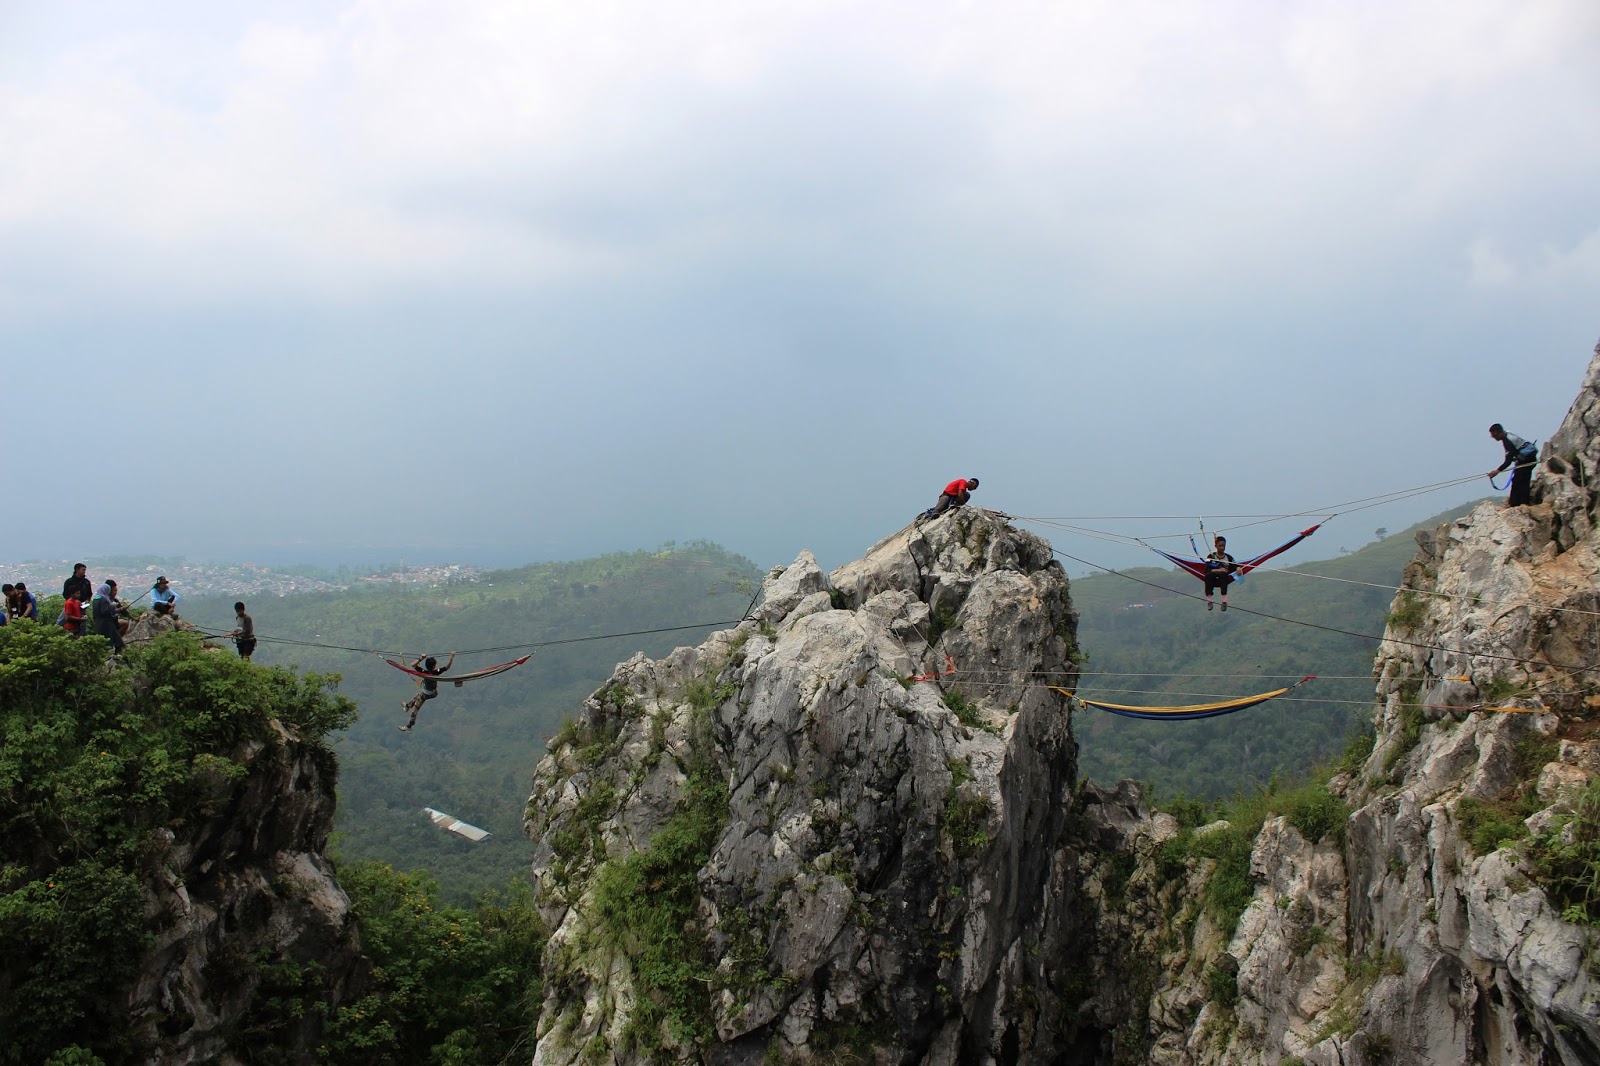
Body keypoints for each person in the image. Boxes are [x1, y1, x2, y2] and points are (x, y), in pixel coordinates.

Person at [399, 652, 456, 732]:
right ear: (433, 666)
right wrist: (452, 657)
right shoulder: (436, 672)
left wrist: (421, 658)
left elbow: (413, 665)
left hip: (427, 694)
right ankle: (407, 706)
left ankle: (409, 727)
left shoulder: (424, 672)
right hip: (432, 693)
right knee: (417, 696)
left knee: (415, 710)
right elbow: (447, 667)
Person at [1487, 424, 1539, 507]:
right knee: (1518, 480)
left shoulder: (1508, 441)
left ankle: (1520, 504)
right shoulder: (1508, 434)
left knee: (1520, 481)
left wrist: (1497, 471)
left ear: (1499, 433)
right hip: (1528, 458)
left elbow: (1508, 461)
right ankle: (1519, 503)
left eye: (1494, 435)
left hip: (1527, 460)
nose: (1493, 437)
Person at [1204, 536, 1238, 611]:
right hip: (1212, 576)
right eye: (1220, 546)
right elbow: (1207, 569)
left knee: (1223, 575)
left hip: (1223, 577)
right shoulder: (1210, 556)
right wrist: (1218, 570)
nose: (1222, 548)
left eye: (1223, 546)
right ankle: (1209, 600)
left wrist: (1238, 569)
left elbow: (1235, 567)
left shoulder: (1229, 558)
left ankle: (1224, 600)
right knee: (1208, 576)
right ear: (1215, 546)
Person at [92, 580, 127, 652]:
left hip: (98, 622)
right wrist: (113, 607)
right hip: (106, 623)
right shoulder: (104, 599)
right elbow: (105, 611)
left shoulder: (96, 598)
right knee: (116, 640)